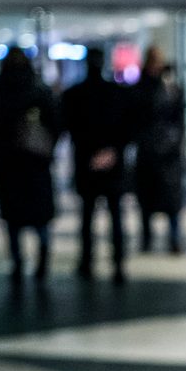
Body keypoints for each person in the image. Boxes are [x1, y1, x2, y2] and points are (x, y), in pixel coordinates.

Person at [0, 49, 61, 287]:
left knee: (13, 221)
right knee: (40, 219)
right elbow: (56, 126)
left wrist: (3, 148)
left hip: (8, 166)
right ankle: (42, 262)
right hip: (35, 165)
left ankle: (18, 263)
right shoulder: (39, 92)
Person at [61, 45, 133, 284]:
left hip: (87, 163)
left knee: (88, 215)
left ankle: (87, 261)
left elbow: (70, 127)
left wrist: (93, 153)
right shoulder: (118, 93)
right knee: (114, 216)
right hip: (110, 163)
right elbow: (127, 128)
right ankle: (118, 263)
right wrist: (112, 151)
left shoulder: (75, 94)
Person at [132, 45, 186, 254]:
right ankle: (147, 238)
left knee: (172, 202)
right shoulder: (142, 87)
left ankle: (174, 239)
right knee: (147, 200)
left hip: (169, 153)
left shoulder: (171, 87)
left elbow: (180, 118)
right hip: (148, 152)